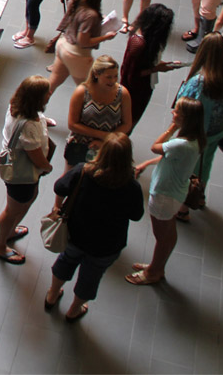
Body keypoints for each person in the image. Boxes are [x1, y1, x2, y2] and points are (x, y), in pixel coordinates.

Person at [45, 132, 144, 322]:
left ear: (103, 152)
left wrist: (57, 208)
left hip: (75, 234)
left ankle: (52, 294)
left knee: (65, 262)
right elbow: (136, 216)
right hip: (106, 245)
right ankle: (74, 310)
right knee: (91, 277)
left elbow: (59, 187)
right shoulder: (131, 187)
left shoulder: (84, 171)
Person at [125, 97, 205, 286]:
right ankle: (157, 265)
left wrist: (170, 129)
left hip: (164, 195)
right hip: (175, 193)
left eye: (176, 111)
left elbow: (155, 147)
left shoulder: (180, 144)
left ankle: (153, 271)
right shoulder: (195, 141)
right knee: (168, 233)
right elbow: (169, 157)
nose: (172, 112)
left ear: (185, 118)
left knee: (161, 237)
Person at [175, 33, 223, 211]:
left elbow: (183, 104)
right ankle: (200, 195)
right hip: (222, 127)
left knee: (188, 165)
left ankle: (184, 206)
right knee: (206, 162)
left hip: (199, 132)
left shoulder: (200, 82)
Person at [0, 75, 54, 264]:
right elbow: (36, 156)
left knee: (26, 200)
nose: (50, 95)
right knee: (12, 209)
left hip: (21, 173)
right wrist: (47, 167)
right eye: (46, 93)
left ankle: (10, 230)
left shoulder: (16, 108)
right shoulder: (29, 127)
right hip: (22, 175)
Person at [48, 0, 116, 99]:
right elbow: (83, 41)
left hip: (63, 45)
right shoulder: (91, 15)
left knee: (53, 82)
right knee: (90, 91)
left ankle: (34, 110)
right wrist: (107, 36)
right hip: (76, 54)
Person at [120, 4, 182, 130]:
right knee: (128, 121)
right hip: (134, 91)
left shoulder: (148, 39)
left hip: (143, 86)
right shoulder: (138, 43)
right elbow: (131, 75)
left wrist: (160, 65)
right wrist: (157, 69)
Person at [65, 56, 132, 169]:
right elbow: (72, 124)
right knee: (72, 178)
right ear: (96, 74)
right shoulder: (82, 92)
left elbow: (127, 124)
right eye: (108, 77)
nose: (113, 81)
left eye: (115, 76)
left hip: (107, 147)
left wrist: (106, 141)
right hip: (80, 144)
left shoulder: (123, 94)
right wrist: (103, 136)